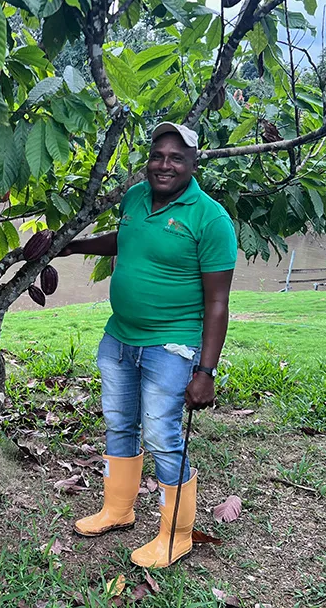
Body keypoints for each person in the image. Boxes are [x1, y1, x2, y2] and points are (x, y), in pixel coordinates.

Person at [60, 121, 237, 568]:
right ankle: (118, 509)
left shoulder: (211, 219)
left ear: (194, 164)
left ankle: (176, 534)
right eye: (158, 154)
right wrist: (70, 246)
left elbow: (218, 303)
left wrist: (206, 372)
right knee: (119, 424)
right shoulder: (136, 197)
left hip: (172, 347)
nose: (164, 164)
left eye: (177, 157)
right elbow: (126, 238)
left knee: (161, 436)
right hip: (120, 338)